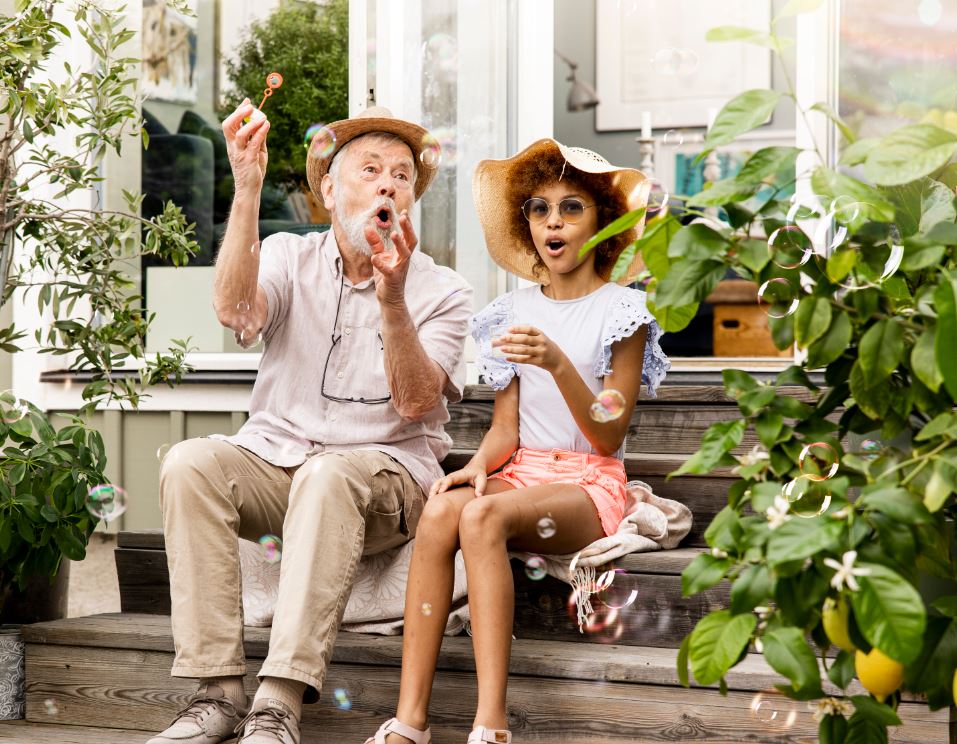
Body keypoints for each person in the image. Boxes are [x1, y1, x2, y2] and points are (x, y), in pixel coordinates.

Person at [148, 102, 472, 744]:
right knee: (188, 463)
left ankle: (278, 703)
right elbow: (235, 310)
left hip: (387, 478)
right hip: (279, 461)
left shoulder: (443, 291)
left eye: (402, 175)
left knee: (328, 474)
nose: (388, 183)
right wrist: (246, 186)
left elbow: (414, 404)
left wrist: (394, 298)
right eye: (370, 169)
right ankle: (216, 693)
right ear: (328, 190)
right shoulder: (287, 255)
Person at [364, 139, 670, 744]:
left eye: (571, 207)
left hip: (587, 480)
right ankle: (410, 721)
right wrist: (476, 465)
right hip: (523, 470)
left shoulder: (623, 313)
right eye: (538, 208)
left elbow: (608, 433)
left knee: (481, 520)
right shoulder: (510, 311)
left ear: (602, 220)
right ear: (525, 225)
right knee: (443, 511)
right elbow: (507, 430)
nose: (552, 221)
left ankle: (491, 725)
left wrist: (557, 362)